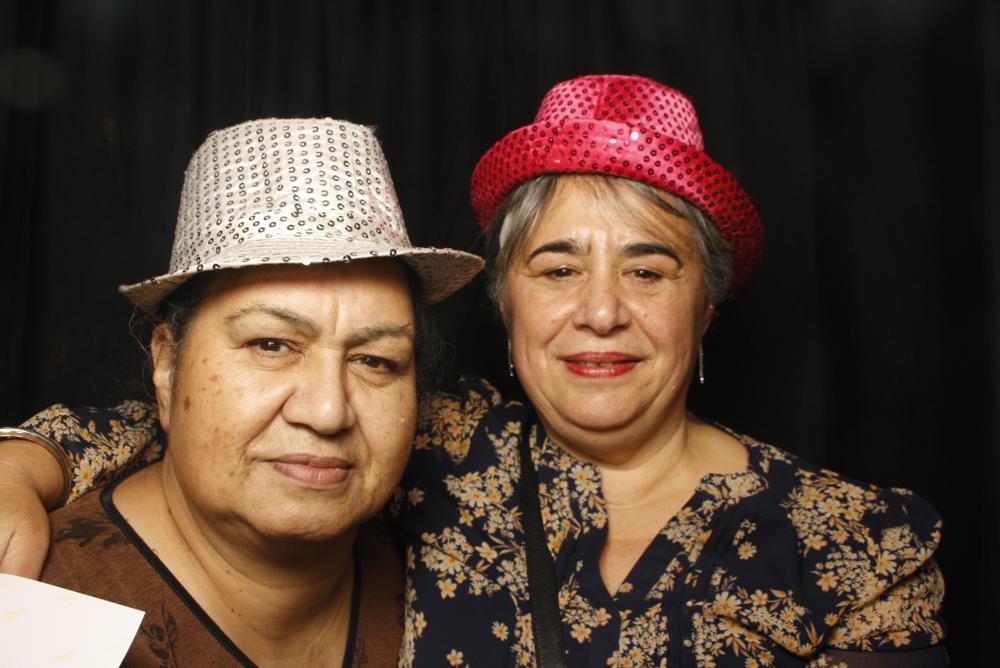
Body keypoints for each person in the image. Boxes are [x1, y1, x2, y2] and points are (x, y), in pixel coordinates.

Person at [0, 76, 946, 666]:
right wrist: (24, 461)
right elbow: (211, 429)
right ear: (505, 302)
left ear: (706, 305)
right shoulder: (448, 445)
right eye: (557, 268)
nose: (601, 310)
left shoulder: (854, 542)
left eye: (649, 271)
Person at [0, 117, 483, 666]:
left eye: (375, 360)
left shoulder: (451, 572)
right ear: (167, 364)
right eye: (270, 345)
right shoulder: (32, 613)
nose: (328, 412)